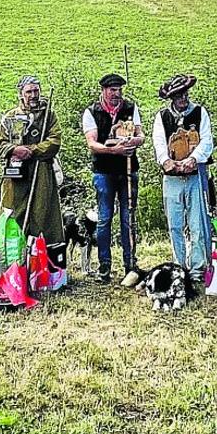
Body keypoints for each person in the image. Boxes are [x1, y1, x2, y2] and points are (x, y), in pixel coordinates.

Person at [0, 76, 64, 267]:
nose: (33, 95)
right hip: (15, 176)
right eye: (29, 92)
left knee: (43, 214)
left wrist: (32, 150)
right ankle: (13, 264)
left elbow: (54, 142)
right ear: (21, 94)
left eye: (36, 91)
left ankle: (44, 266)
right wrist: (15, 150)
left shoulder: (49, 115)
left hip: (41, 173)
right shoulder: (10, 117)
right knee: (13, 214)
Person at [83, 72, 144, 284]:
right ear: (104, 91)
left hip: (128, 170)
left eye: (119, 90)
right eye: (112, 90)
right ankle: (104, 266)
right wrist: (113, 150)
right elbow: (92, 143)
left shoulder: (130, 108)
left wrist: (133, 142)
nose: (117, 94)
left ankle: (130, 265)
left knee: (128, 218)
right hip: (103, 171)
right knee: (105, 218)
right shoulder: (92, 112)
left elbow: (141, 135)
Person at [152, 74, 213, 282]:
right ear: (172, 98)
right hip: (172, 178)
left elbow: (207, 141)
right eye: (178, 96)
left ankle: (197, 268)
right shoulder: (162, 117)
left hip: (195, 176)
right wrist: (165, 161)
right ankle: (178, 266)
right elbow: (159, 143)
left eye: (185, 94)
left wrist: (194, 159)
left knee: (198, 223)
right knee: (175, 223)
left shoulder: (200, 112)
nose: (183, 99)